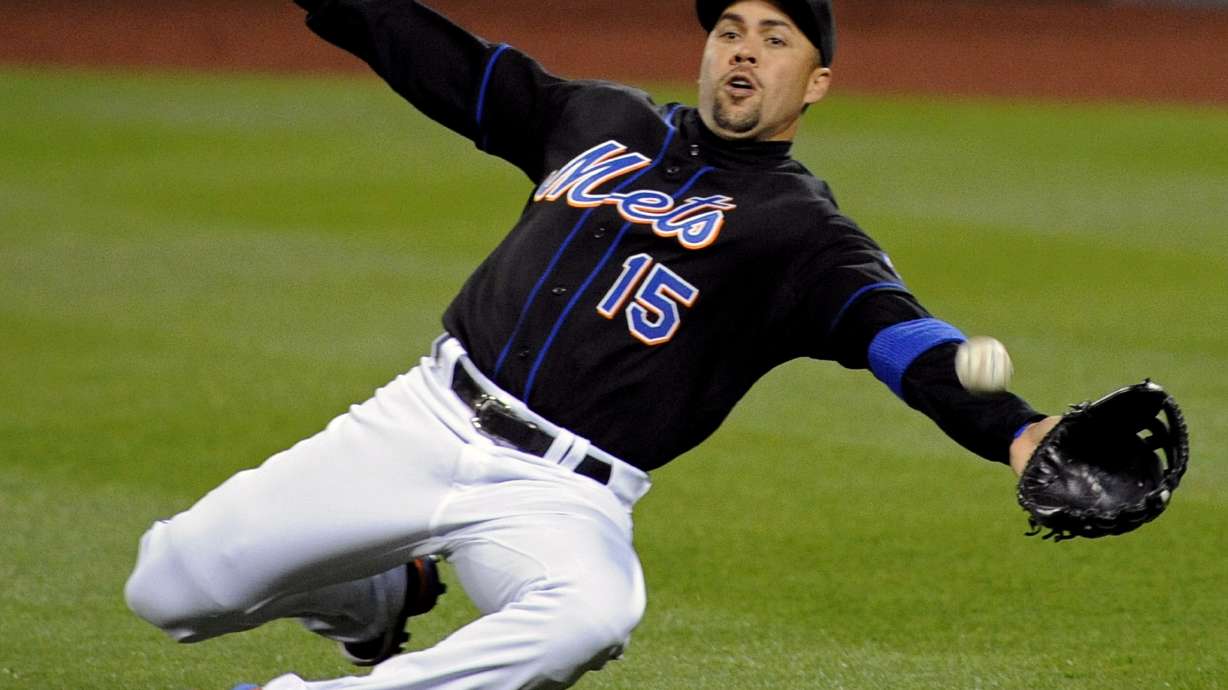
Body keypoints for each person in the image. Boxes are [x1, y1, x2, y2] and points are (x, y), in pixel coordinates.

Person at [124, 1, 1060, 688]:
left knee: (591, 617)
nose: (744, 50)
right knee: (166, 586)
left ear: (813, 83)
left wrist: (1015, 433)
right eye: (729, 29)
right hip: (420, 420)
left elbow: (903, 338)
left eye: (776, 39)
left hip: (559, 495)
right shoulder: (601, 119)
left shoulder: (801, 232)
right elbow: (446, 63)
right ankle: (375, 599)